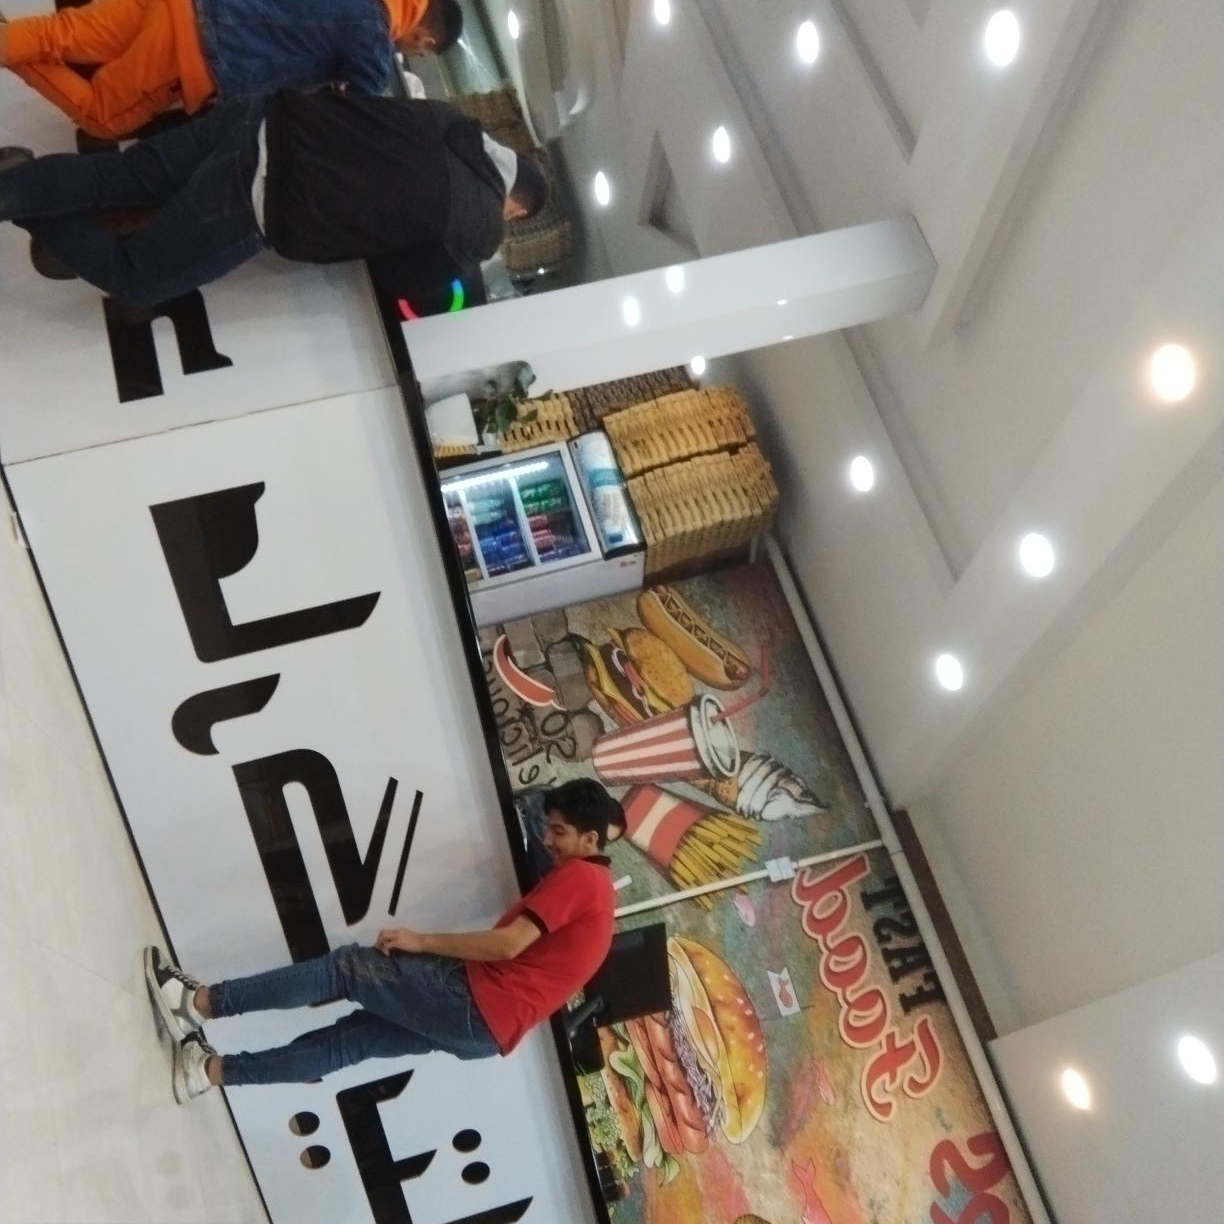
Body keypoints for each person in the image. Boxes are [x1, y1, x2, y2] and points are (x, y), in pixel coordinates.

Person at [144, 778, 623, 1103]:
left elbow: (507, 945)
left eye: (559, 832)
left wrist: (422, 940)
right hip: (484, 1031)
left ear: (590, 839)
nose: (548, 840)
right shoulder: (598, 898)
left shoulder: (583, 878)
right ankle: (207, 1074)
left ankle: (197, 1004)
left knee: (346, 969)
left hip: (476, 1000)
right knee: (350, 1043)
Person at [0, 88, 549, 308]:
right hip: (260, 195)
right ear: (517, 208)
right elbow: (402, 282)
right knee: (135, 278)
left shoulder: (448, 119)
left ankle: (14, 183)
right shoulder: (481, 229)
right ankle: (20, 189)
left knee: (117, 177)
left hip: (255, 119)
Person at [0, 0, 463, 140]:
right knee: (103, 117)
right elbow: (359, 118)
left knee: (58, 33)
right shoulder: (372, 40)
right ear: (424, 39)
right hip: (194, 49)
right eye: (420, 53)